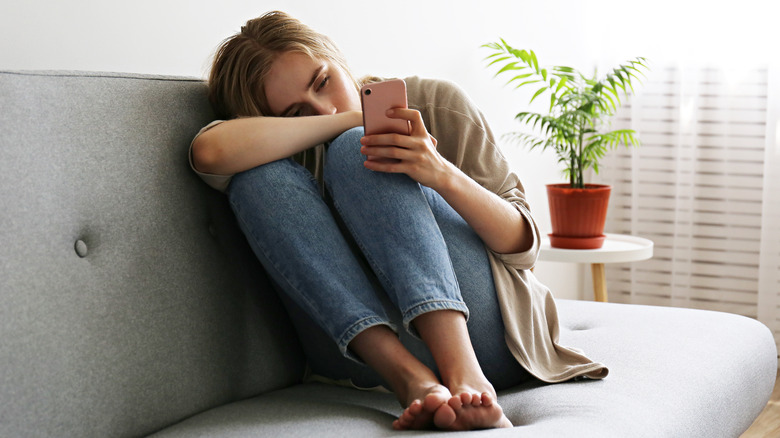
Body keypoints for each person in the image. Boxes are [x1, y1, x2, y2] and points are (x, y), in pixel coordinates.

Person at [189, 11, 607, 431]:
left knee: (358, 150)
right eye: (295, 113)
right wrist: (351, 120)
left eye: (323, 81)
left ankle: (464, 374)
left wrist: (440, 173)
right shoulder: (276, 148)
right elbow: (208, 152)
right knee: (259, 178)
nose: (324, 106)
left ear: (335, 57)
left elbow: (525, 248)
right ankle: (413, 381)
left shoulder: (436, 101)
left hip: (489, 341)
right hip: (361, 359)